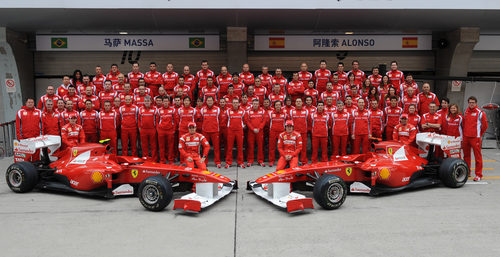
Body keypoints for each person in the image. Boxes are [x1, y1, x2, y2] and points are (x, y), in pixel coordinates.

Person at [463, 96, 488, 181]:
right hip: (466, 137)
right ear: (468, 103)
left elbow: (485, 126)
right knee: (466, 156)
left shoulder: (480, 112)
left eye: (473, 102)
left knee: (477, 157)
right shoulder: (466, 111)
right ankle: (467, 172)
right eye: (470, 102)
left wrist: (479, 134)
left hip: (475, 138)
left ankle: (479, 174)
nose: (471, 104)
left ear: (476, 103)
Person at [225, 98, 247, 168]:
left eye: (236, 102)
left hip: (239, 131)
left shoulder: (242, 111)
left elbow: (245, 121)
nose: (235, 104)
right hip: (231, 131)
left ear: (238, 103)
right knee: (229, 147)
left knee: (240, 147)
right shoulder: (228, 111)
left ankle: (240, 162)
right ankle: (228, 162)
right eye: (234, 102)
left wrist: (242, 126)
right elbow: (225, 121)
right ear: (232, 103)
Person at [200, 96, 222, 168]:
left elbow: (220, 119)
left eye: (211, 100)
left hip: (215, 131)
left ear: (213, 101)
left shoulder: (217, 109)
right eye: (208, 100)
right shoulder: (202, 110)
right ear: (206, 102)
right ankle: (205, 162)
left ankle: (217, 162)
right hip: (205, 131)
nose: (209, 102)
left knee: (216, 147)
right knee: (205, 148)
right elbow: (201, 119)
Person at [247, 99, 267, 167]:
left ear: (259, 104)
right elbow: (247, 121)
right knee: (251, 146)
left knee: (260, 146)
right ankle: (250, 160)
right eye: (254, 104)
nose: (255, 105)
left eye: (256, 104)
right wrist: (253, 129)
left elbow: (264, 121)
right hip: (251, 132)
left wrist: (259, 128)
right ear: (252, 104)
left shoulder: (262, 111)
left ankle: (260, 160)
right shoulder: (249, 111)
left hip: (259, 131)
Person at [157, 97, 176, 164]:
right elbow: (157, 121)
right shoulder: (159, 110)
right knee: (161, 146)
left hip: (170, 130)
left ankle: (170, 159)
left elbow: (175, 120)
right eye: (164, 101)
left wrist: (173, 129)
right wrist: (158, 130)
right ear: (162, 102)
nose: (165, 103)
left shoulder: (172, 110)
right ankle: (162, 160)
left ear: (169, 102)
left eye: (166, 101)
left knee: (170, 146)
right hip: (161, 130)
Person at [290, 98, 309, 164]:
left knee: (303, 147)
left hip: (303, 132)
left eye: (299, 101)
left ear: (302, 103)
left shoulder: (306, 111)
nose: (298, 103)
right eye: (297, 101)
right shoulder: (292, 111)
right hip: (295, 132)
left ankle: (303, 161)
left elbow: (308, 121)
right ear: (295, 103)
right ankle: (295, 161)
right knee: (295, 148)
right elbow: (290, 122)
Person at [138, 96, 158, 161]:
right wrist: (139, 127)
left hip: (152, 129)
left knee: (153, 145)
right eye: (146, 101)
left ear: (151, 101)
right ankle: (145, 159)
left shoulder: (155, 109)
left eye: (148, 101)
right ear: (144, 102)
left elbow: (157, 119)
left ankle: (154, 159)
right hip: (143, 129)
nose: (147, 102)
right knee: (144, 145)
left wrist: (156, 128)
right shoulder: (140, 109)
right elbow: (138, 119)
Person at [268, 101, 286, 167]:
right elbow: (268, 122)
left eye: (279, 105)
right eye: (276, 105)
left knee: (281, 147)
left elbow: (286, 123)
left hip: (281, 132)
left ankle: (282, 161)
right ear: (274, 106)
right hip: (273, 132)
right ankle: (271, 161)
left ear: (281, 106)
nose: (278, 106)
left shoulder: (284, 113)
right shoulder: (271, 113)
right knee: (272, 147)